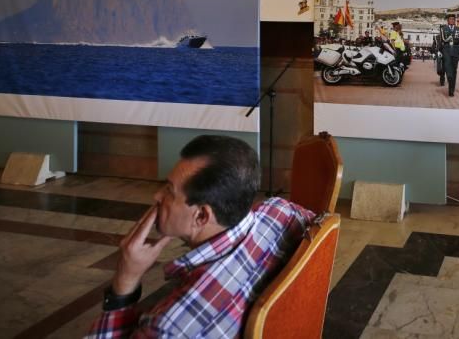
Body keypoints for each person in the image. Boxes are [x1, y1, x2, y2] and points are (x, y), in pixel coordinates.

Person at [86, 135, 314, 338]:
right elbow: (322, 223)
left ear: (202, 216)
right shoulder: (281, 211)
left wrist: (125, 282)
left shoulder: (170, 328)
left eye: (169, 191)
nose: (157, 196)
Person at [437, 13, 459, 97]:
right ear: (448, 21)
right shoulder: (443, 29)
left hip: (456, 51)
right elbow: (441, 41)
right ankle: (449, 79)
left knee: (454, 70)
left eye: (453, 19)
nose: (452, 20)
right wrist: (439, 50)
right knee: (448, 69)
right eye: (450, 19)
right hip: (446, 50)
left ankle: (451, 89)